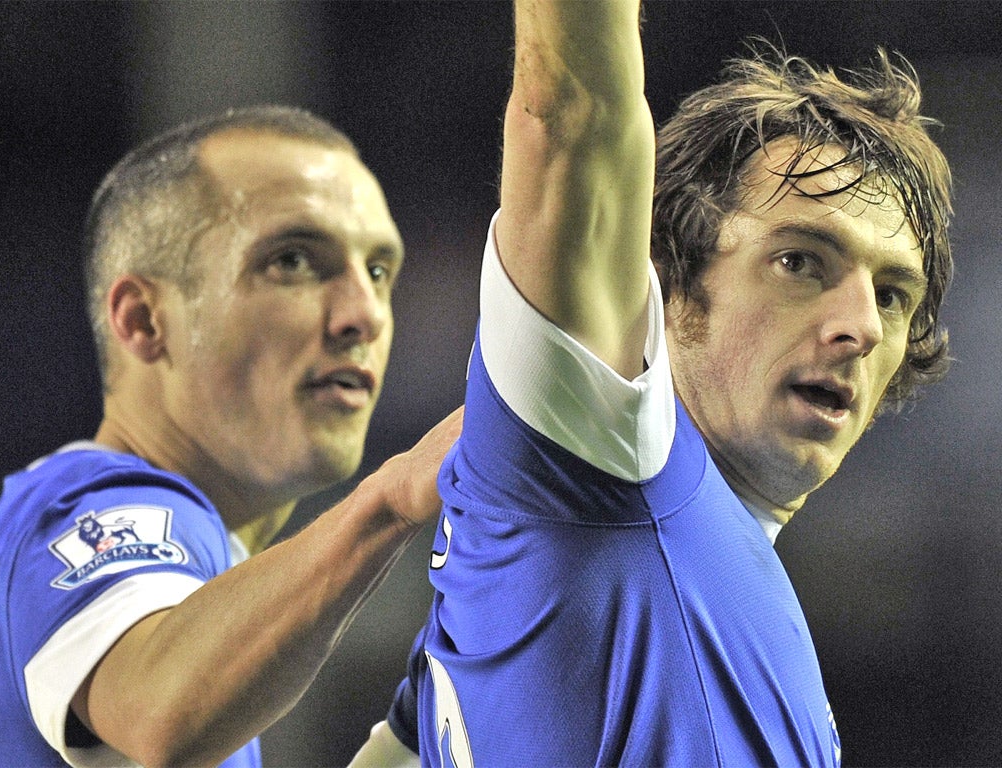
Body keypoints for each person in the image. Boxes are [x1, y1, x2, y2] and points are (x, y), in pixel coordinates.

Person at [351, 0, 953, 765]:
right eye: (802, 262)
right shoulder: (607, 457)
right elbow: (574, 110)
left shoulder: (662, 578)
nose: (861, 325)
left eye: (893, 295)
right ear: (665, 275)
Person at [0, 105, 462, 768]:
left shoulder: (203, 593)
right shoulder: (79, 507)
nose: (364, 315)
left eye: (378, 271)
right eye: (292, 261)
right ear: (144, 320)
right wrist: (391, 499)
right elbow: (161, 714)